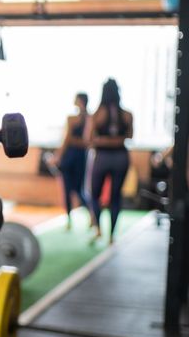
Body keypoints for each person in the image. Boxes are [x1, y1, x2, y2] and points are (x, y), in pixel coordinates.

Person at [87, 78, 133, 244]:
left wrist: (103, 141)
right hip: (121, 156)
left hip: (102, 157)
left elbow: (89, 138)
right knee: (115, 197)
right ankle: (111, 235)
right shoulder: (127, 115)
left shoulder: (98, 114)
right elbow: (129, 137)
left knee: (94, 194)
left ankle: (98, 228)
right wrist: (116, 140)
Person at [54, 92, 96, 231]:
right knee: (78, 190)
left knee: (72, 190)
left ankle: (73, 220)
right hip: (81, 155)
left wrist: (57, 156)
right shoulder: (89, 118)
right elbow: (86, 141)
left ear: (80, 101)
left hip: (72, 155)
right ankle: (89, 217)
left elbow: (67, 140)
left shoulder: (74, 119)